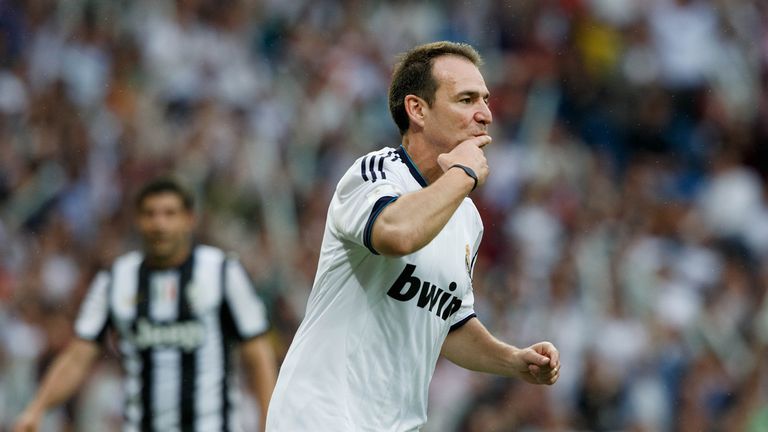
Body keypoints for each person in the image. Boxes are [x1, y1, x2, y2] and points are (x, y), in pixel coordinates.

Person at [266, 41, 560, 431]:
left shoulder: (468, 218)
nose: (486, 114)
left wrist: (513, 360)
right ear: (417, 109)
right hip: (322, 415)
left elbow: (448, 322)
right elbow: (396, 234)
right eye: (466, 99)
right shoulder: (375, 173)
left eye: (485, 100)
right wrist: (463, 174)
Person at [14, 178, 277, 432]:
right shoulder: (115, 279)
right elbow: (77, 356)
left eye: (169, 214)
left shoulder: (222, 272)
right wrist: (37, 407)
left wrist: (272, 424)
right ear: (138, 221)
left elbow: (257, 354)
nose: (159, 224)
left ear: (189, 219)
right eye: (150, 214)